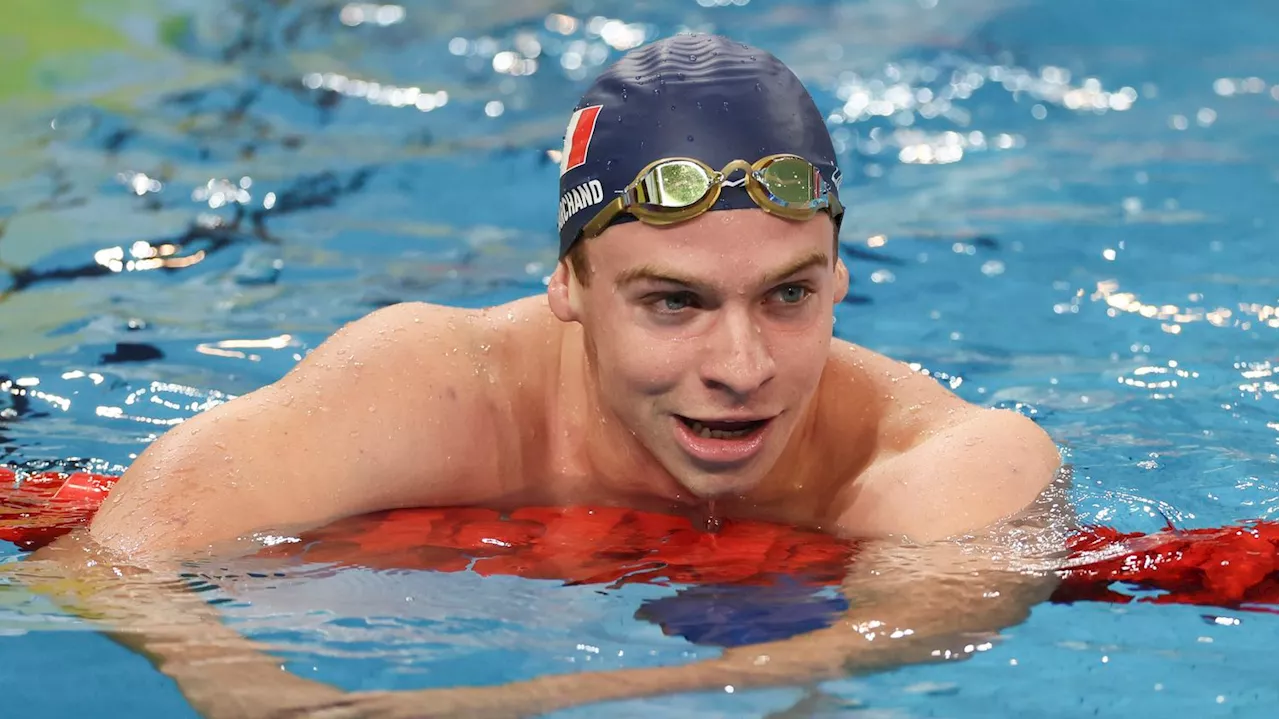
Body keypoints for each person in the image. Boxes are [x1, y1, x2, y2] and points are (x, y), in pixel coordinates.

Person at [23, 33, 1066, 718]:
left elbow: (872, 650)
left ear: (839, 274)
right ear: (566, 283)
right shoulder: (435, 383)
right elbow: (105, 558)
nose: (740, 368)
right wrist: (263, 693)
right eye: (673, 301)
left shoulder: (951, 461)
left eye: (787, 295)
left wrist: (488, 705)